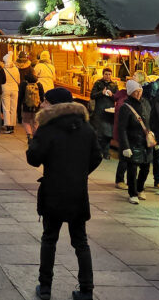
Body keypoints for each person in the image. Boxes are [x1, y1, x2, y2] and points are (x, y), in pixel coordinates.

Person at [26, 88, 102, 300]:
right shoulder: (86, 128)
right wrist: (80, 173)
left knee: (49, 238)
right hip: (77, 193)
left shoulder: (48, 128)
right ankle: (87, 290)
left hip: (53, 192)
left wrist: (33, 137)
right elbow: (97, 156)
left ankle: (45, 287)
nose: (42, 105)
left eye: (45, 101)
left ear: (54, 105)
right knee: (81, 241)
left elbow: (33, 158)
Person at [115, 80, 153, 204]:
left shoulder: (146, 103)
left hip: (145, 142)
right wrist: (125, 146)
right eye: (136, 92)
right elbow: (122, 128)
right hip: (132, 142)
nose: (138, 94)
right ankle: (133, 192)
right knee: (132, 169)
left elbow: (150, 119)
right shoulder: (125, 107)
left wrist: (152, 133)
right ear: (130, 93)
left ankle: (140, 187)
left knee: (146, 167)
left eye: (140, 91)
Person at [89, 68, 119, 161]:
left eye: (109, 74)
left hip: (109, 112)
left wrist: (112, 95)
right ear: (103, 74)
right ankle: (97, 152)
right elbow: (92, 95)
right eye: (106, 74)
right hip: (99, 111)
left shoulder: (114, 85)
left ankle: (106, 152)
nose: (108, 76)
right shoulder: (98, 83)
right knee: (98, 133)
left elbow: (117, 98)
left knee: (108, 133)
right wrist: (101, 93)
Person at [19, 62, 43, 140]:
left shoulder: (24, 83)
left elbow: (21, 96)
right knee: (35, 122)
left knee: (26, 121)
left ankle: (29, 134)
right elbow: (42, 95)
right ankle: (35, 135)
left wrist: (19, 105)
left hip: (26, 105)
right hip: (36, 106)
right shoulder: (39, 84)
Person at [1, 52, 20, 135]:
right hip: (15, 89)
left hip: (5, 89)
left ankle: (8, 126)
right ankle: (12, 125)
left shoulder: (3, 69)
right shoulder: (16, 69)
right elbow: (18, 81)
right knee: (13, 107)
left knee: (6, 108)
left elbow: (1, 80)